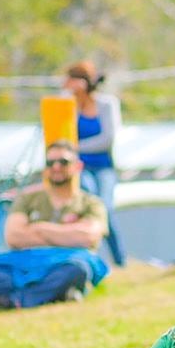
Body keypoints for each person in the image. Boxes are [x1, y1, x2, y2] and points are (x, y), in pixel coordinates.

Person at [0, 141, 109, 310]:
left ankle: (8, 301)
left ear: (77, 166)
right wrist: (66, 235)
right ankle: (56, 294)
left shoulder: (91, 203)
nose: (56, 167)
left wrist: (39, 228)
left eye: (63, 162)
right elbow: (14, 237)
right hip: (23, 263)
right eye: (50, 163)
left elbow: (88, 237)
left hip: (66, 262)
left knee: (78, 270)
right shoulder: (28, 198)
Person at [64, 60, 126, 266]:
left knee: (105, 207)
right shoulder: (69, 106)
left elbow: (107, 139)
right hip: (79, 168)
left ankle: (119, 260)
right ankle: (92, 259)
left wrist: (77, 147)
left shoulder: (106, 105)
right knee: (89, 206)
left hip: (103, 166)